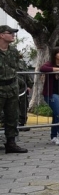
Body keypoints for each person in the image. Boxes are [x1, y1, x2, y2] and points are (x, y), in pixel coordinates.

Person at [0, 25, 26, 153]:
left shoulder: (14, 51)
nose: (13, 35)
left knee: (12, 116)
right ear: (1, 35)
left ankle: (11, 143)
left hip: (11, 87)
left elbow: (16, 68)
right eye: (9, 33)